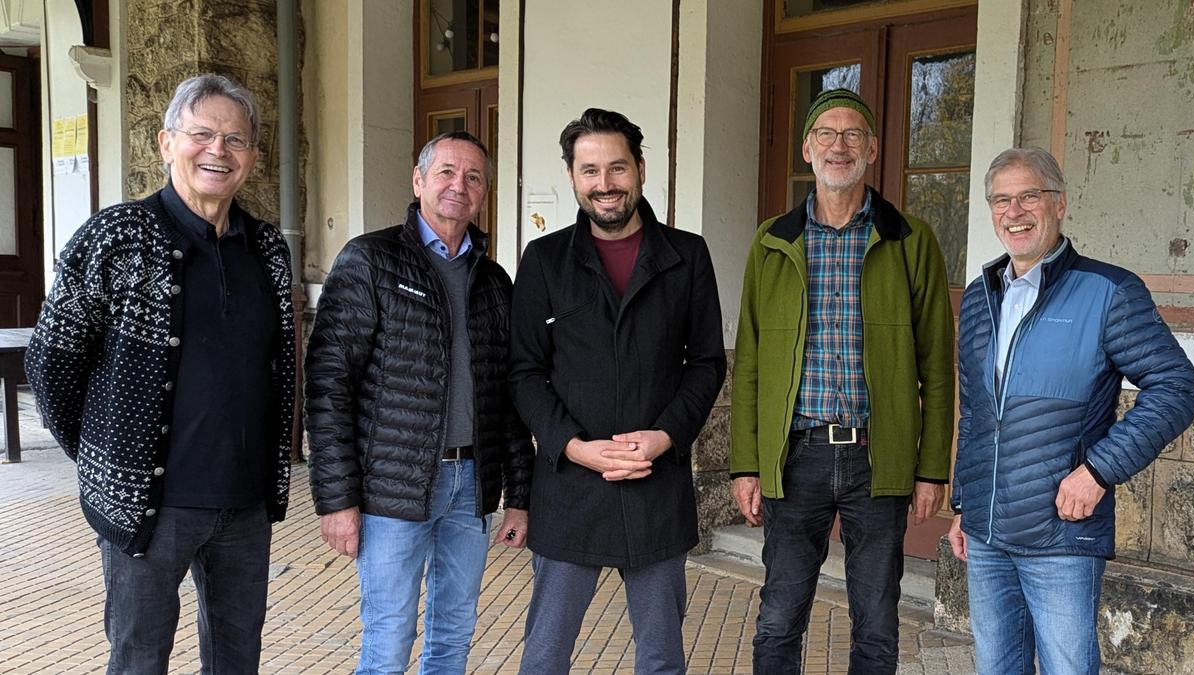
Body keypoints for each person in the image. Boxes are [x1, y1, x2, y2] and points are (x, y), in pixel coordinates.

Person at [25, 73, 295, 673]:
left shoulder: (268, 249)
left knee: (236, 657)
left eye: (235, 139)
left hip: (245, 504)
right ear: (165, 142)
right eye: (202, 134)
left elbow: (277, 367)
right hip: (150, 506)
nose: (218, 151)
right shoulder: (117, 238)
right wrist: (103, 454)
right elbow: (51, 362)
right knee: (140, 656)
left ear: (252, 155)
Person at [949, 147, 1194, 675]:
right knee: (996, 668)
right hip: (988, 534)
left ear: (1059, 203)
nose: (1013, 211)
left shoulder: (1108, 291)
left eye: (1028, 196)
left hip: (1061, 532)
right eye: (1001, 200)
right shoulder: (979, 298)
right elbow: (974, 413)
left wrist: (1098, 471)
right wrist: (962, 503)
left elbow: (1176, 385)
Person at [729, 88, 955, 673]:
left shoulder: (910, 239)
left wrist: (932, 469)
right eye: (826, 134)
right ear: (807, 148)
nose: (839, 146)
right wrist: (747, 463)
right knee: (778, 620)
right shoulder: (772, 241)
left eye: (853, 134)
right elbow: (749, 360)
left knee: (877, 623)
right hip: (796, 455)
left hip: (875, 458)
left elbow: (936, 364)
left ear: (873, 148)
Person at [305, 130, 533, 674]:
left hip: (471, 485)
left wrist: (519, 495)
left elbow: (508, 398)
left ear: (484, 193)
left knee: (453, 635)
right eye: (447, 172)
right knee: (388, 639)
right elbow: (329, 382)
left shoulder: (494, 280)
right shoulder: (370, 260)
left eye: (474, 177)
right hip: (392, 488)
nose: (460, 186)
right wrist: (336, 500)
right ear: (419, 180)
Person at [509, 108, 726, 674]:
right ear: (573, 176)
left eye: (616, 168)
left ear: (641, 169)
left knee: (660, 658)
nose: (604, 184)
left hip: (656, 485)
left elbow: (705, 363)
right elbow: (524, 371)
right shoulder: (545, 260)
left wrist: (664, 436)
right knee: (545, 656)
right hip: (570, 487)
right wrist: (574, 446)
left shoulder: (688, 256)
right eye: (589, 171)